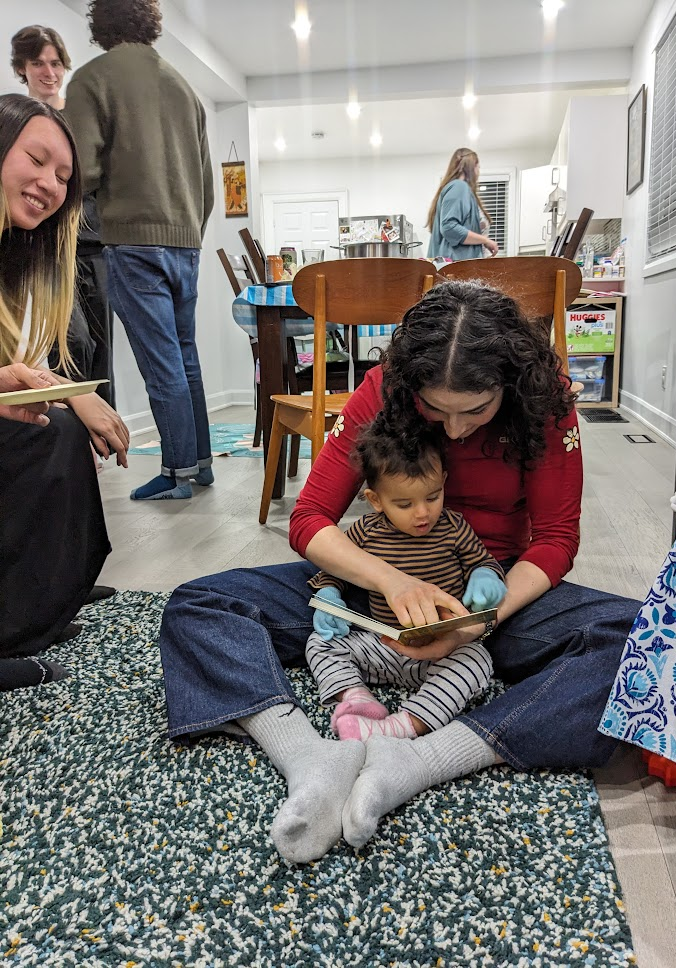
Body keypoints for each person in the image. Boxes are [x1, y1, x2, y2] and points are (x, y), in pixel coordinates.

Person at [158, 279, 641, 865]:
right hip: (369, 592)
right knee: (200, 603)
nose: (455, 429)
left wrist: (481, 620)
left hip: (492, 591)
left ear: (509, 386)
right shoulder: (383, 388)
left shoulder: (546, 402)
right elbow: (310, 519)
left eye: (477, 410)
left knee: (640, 642)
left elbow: (557, 539)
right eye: (435, 410)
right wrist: (390, 581)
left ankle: (419, 759)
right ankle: (309, 757)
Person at [0, 93, 130, 691]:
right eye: (36, 158)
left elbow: (25, 363)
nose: (49, 183)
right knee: (44, 435)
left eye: (63, 177)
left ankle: (51, 593)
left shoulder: (24, 257)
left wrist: (75, 394)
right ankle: (13, 628)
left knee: (64, 427)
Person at [64, 0, 215, 501]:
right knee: (185, 357)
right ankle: (202, 463)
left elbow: (78, 172)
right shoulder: (183, 87)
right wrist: (188, 229)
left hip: (132, 241)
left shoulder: (93, 79)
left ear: (100, 22)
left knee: (161, 364)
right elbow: (208, 185)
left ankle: (176, 473)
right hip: (186, 242)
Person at [307, 414, 506, 742]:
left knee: (478, 660)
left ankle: (404, 726)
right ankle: (356, 699)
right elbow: (333, 571)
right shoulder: (365, 532)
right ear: (376, 500)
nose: (422, 513)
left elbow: (484, 563)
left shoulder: (454, 527)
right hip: (382, 645)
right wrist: (329, 597)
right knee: (320, 643)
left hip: (443, 650)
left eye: (432, 496)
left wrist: (486, 578)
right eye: (403, 503)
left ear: (443, 481)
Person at [10, 24, 115, 407]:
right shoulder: (16, 123)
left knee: (101, 345)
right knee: (71, 339)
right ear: (23, 67)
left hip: (95, 245)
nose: (48, 72)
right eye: (37, 62)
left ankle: (102, 430)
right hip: (50, 247)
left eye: (55, 63)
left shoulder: (81, 119)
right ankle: (66, 418)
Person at [426, 148, 499, 261]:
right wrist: (485, 240)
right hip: (457, 268)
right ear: (471, 166)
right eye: (478, 167)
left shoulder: (456, 189)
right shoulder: (459, 187)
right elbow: (449, 227)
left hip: (457, 269)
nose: (478, 172)